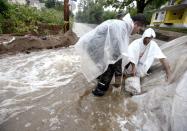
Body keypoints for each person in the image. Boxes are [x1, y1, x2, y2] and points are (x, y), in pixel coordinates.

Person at [75, 13, 147, 96]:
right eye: (139, 29)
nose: (138, 32)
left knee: (106, 65)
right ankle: (98, 92)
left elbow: (117, 52)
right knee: (109, 68)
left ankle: (99, 80)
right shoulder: (122, 28)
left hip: (94, 45)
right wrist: (118, 80)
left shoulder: (124, 26)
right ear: (136, 24)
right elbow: (116, 56)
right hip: (93, 46)